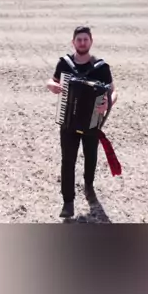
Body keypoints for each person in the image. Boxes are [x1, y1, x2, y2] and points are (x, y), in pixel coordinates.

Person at [47, 26, 118, 218]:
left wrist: (108, 103)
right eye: (79, 39)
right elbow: (51, 81)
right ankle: (68, 202)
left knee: (91, 156)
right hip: (68, 121)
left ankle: (89, 186)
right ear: (73, 42)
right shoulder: (65, 64)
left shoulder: (101, 68)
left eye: (85, 39)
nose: (82, 42)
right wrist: (51, 85)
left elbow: (113, 92)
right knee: (67, 160)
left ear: (91, 42)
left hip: (92, 122)